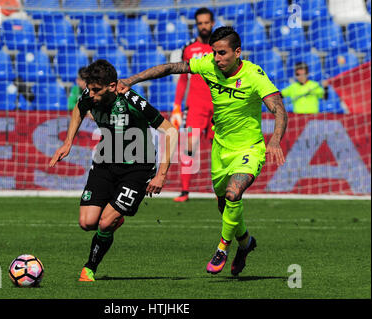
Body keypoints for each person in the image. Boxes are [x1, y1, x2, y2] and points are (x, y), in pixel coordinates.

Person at [117, 27, 288, 276]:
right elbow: (170, 68)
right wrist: (130, 81)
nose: (217, 58)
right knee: (225, 204)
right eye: (214, 53)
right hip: (221, 148)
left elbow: (278, 108)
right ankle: (246, 243)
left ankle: (222, 247)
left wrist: (274, 140)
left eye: (222, 53)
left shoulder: (254, 75)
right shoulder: (207, 64)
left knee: (233, 193)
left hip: (249, 148)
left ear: (237, 52)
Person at [49, 60, 178, 281]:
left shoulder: (132, 100)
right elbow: (78, 110)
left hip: (138, 168)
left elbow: (171, 131)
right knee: (86, 223)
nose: (91, 95)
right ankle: (116, 215)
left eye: (96, 90)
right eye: (89, 89)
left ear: (111, 86)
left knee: (105, 223)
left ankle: (89, 267)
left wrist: (161, 175)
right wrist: (68, 142)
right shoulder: (90, 96)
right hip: (105, 164)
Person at [171, 7, 215, 202]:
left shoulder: (220, 47)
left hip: (217, 107)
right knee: (189, 147)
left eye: (206, 22)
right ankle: (185, 191)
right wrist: (176, 105)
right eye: (200, 23)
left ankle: (220, 191)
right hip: (195, 107)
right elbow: (182, 79)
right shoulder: (189, 49)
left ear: (212, 23)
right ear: (196, 25)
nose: (203, 26)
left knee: (219, 149)